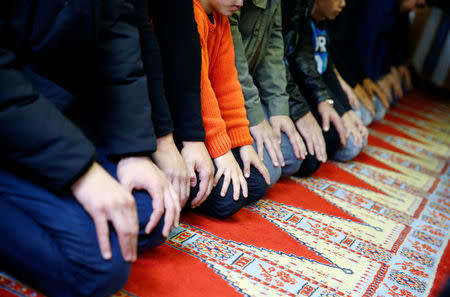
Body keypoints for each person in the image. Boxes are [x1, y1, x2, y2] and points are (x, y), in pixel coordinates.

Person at [0, 1, 181, 296]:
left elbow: (119, 33)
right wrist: (80, 170)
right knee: (97, 266)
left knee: (151, 213)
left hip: (51, 114)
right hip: (13, 121)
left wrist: (133, 152)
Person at [191, 0, 271, 218]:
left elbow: (227, 85)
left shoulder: (221, 19)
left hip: (205, 128)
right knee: (228, 200)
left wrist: (242, 142)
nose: (241, 2)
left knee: (256, 181)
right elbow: (200, 90)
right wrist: (221, 151)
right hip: (185, 130)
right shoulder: (192, 14)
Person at [282, 0, 367, 175]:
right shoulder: (301, 19)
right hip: (294, 93)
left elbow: (326, 70)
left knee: (356, 123)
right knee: (314, 156)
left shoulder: (323, 25)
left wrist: (344, 110)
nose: (343, 4)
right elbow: (298, 72)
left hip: (312, 94)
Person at [230, 0, 308, 187]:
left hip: (248, 89)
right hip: (228, 90)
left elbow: (273, 42)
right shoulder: (229, 4)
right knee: (268, 172)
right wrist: (255, 116)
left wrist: (278, 108)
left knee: (292, 157)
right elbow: (232, 61)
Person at [328, 0, 390, 125]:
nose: (343, 4)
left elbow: (349, 47)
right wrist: (351, 85)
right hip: (313, 91)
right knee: (359, 119)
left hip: (338, 77)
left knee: (375, 109)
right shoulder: (318, 17)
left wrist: (363, 79)